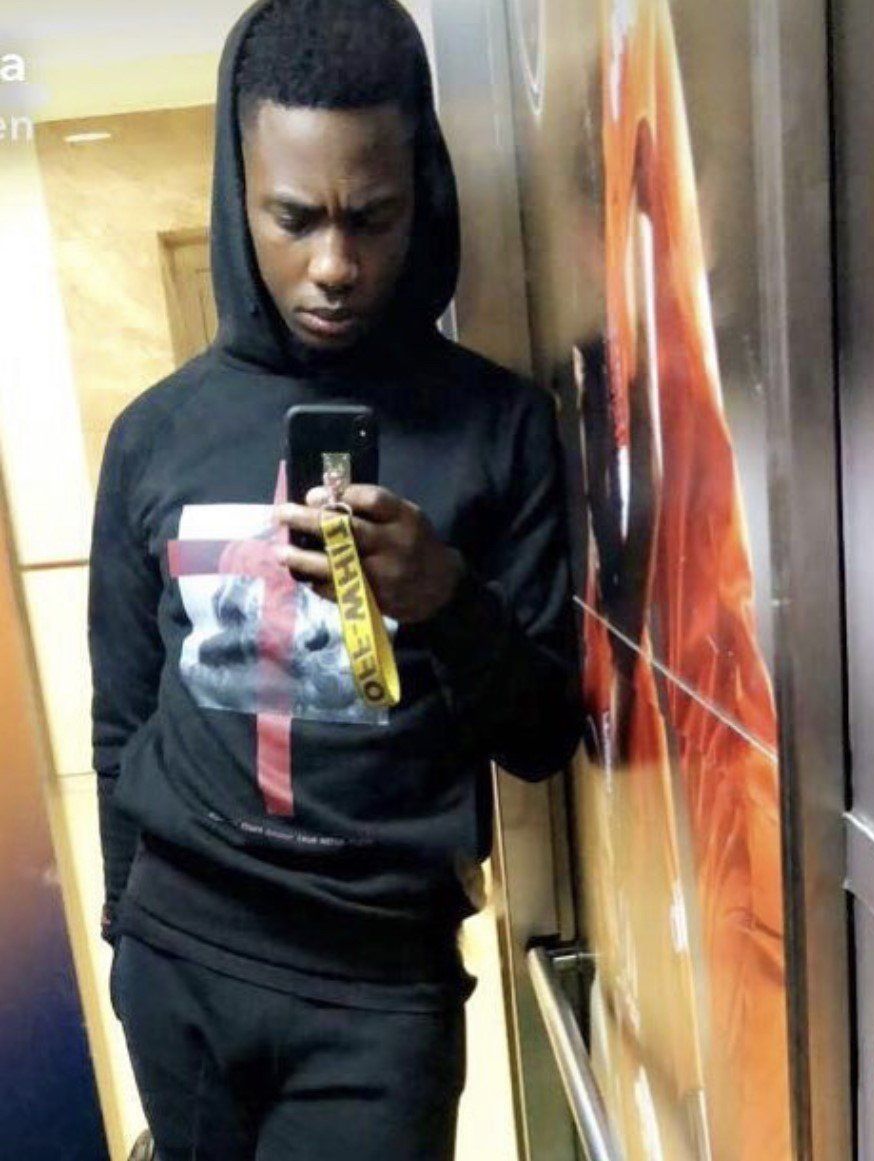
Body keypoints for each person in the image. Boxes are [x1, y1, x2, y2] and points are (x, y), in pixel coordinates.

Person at [87, 1, 582, 1157]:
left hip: (380, 990)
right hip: (179, 956)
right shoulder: (154, 437)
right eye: (294, 217)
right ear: (238, 196)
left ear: (424, 193)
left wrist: (447, 599)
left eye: (373, 217)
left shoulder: (497, 428)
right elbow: (121, 720)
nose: (335, 266)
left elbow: (542, 737)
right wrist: (124, 935)